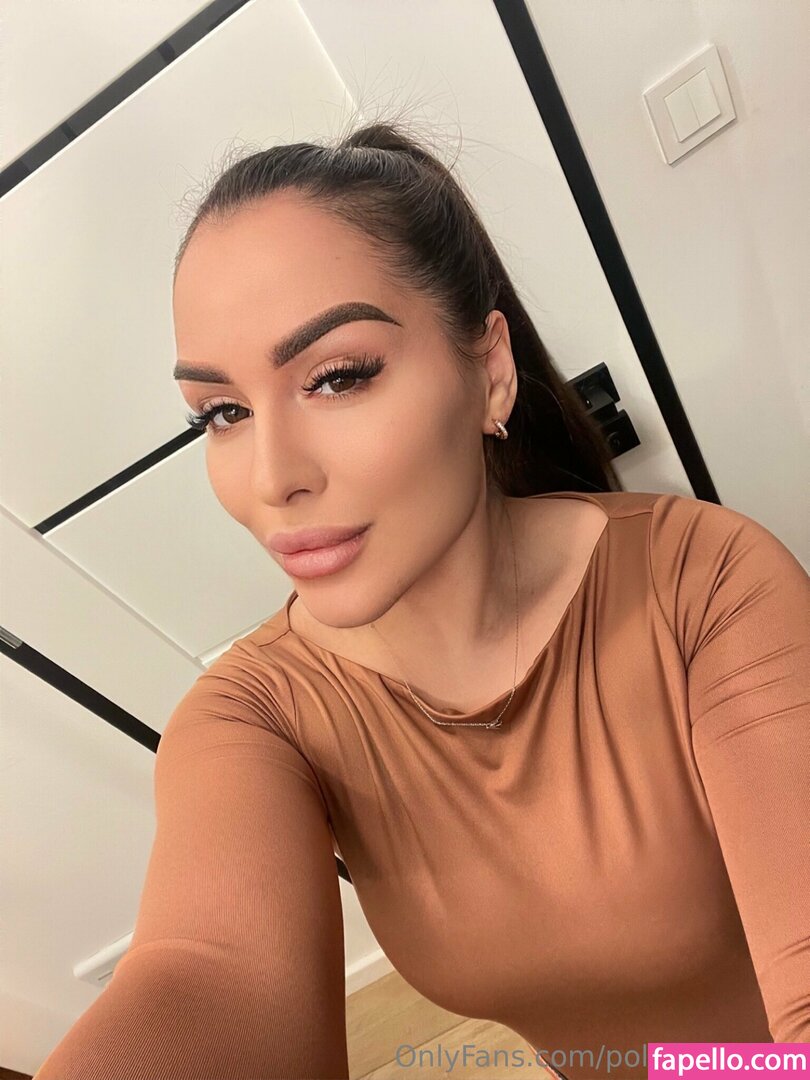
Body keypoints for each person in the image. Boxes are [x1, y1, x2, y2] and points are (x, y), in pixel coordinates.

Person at [35, 119, 809, 1080]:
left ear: (489, 371)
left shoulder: (705, 582)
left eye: (337, 378)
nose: (272, 477)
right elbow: (209, 975)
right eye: (223, 413)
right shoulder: (256, 717)